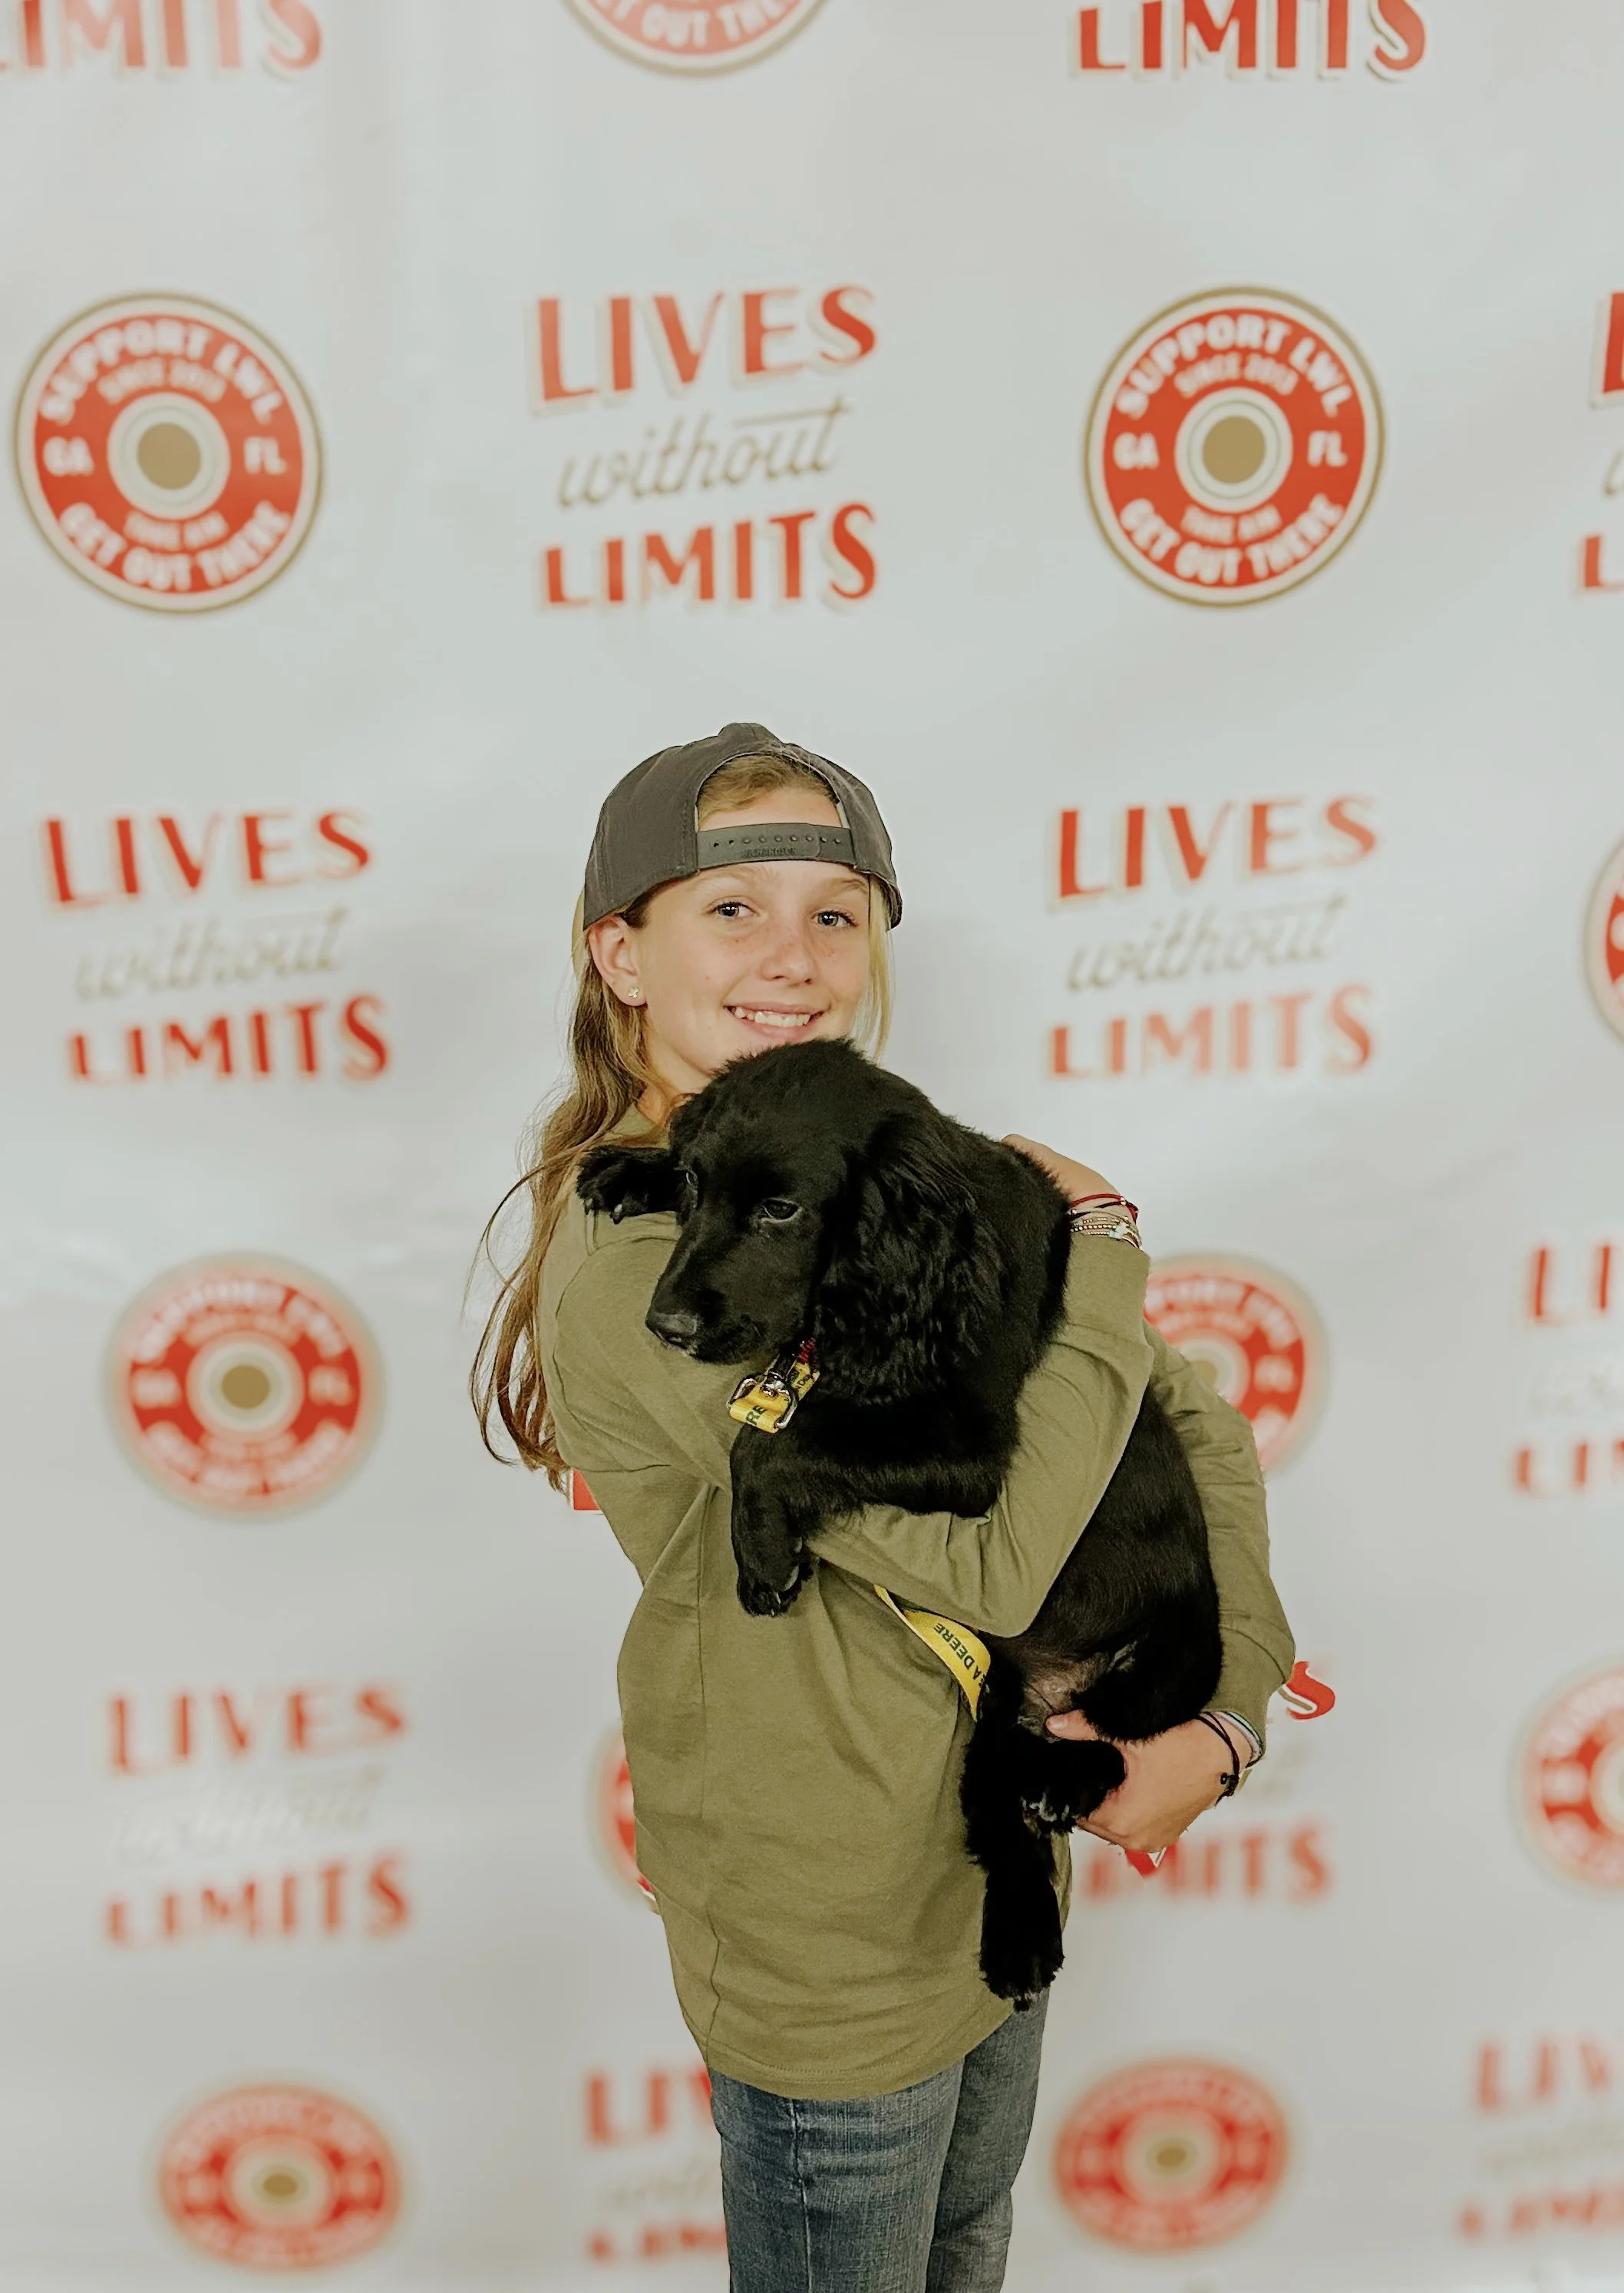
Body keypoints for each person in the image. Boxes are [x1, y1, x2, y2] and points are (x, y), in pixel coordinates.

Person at [473, 722, 1294, 2293]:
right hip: (824, 1925)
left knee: (965, 2255)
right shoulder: (641, 1267)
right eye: (732, 908)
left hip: (987, 1865)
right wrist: (1106, 1243)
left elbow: (1190, 1426)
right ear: (618, 954)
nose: (793, 957)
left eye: (833, 913)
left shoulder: (886, 1168)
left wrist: (1224, 1718)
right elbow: (995, 1555)